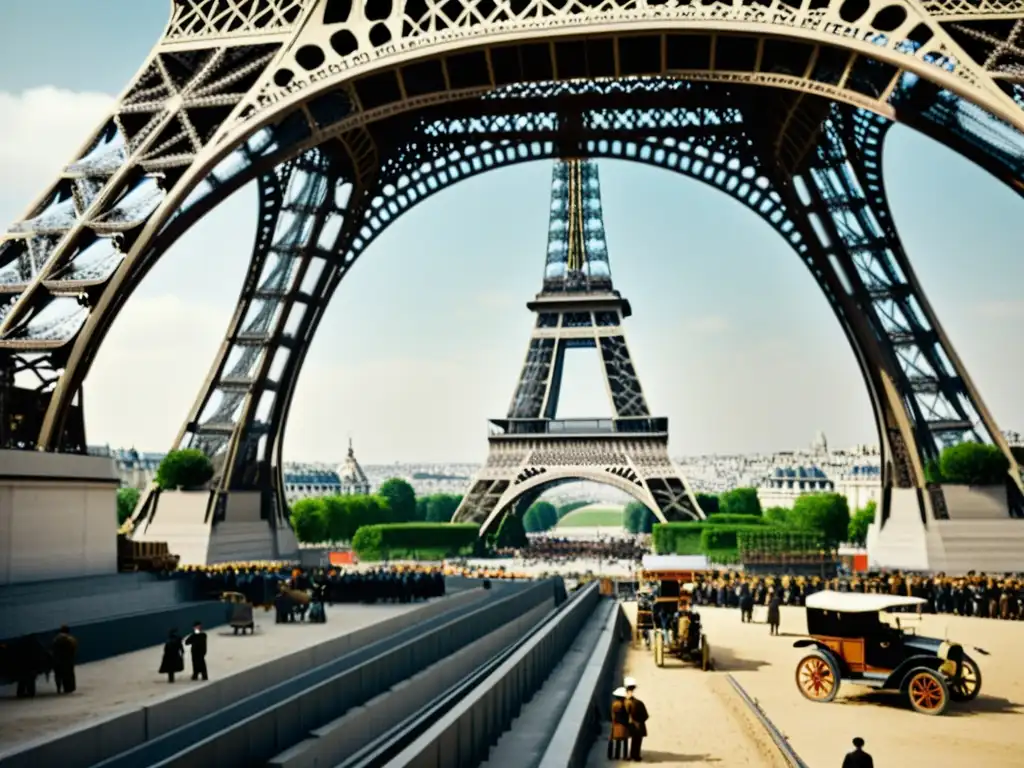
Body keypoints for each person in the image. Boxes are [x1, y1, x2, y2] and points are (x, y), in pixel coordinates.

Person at [624, 677, 649, 761]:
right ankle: (636, 755)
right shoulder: (639, 703)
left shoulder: (624, 703)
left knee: (631, 741)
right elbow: (645, 716)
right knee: (637, 741)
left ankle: (630, 755)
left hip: (629, 724)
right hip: (639, 725)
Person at [51, 625, 78, 694]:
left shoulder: (56, 639)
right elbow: (73, 649)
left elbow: (53, 649)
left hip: (57, 660)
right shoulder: (70, 639)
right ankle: (68, 688)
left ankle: (58, 688)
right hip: (67, 661)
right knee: (68, 675)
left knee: (58, 675)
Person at [608, 687, 630, 759]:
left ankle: (617, 755)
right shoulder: (626, 704)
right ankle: (625, 755)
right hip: (625, 724)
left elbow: (613, 714)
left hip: (617, 724)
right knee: (625, 741)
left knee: (618, 741)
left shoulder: (615, 704)